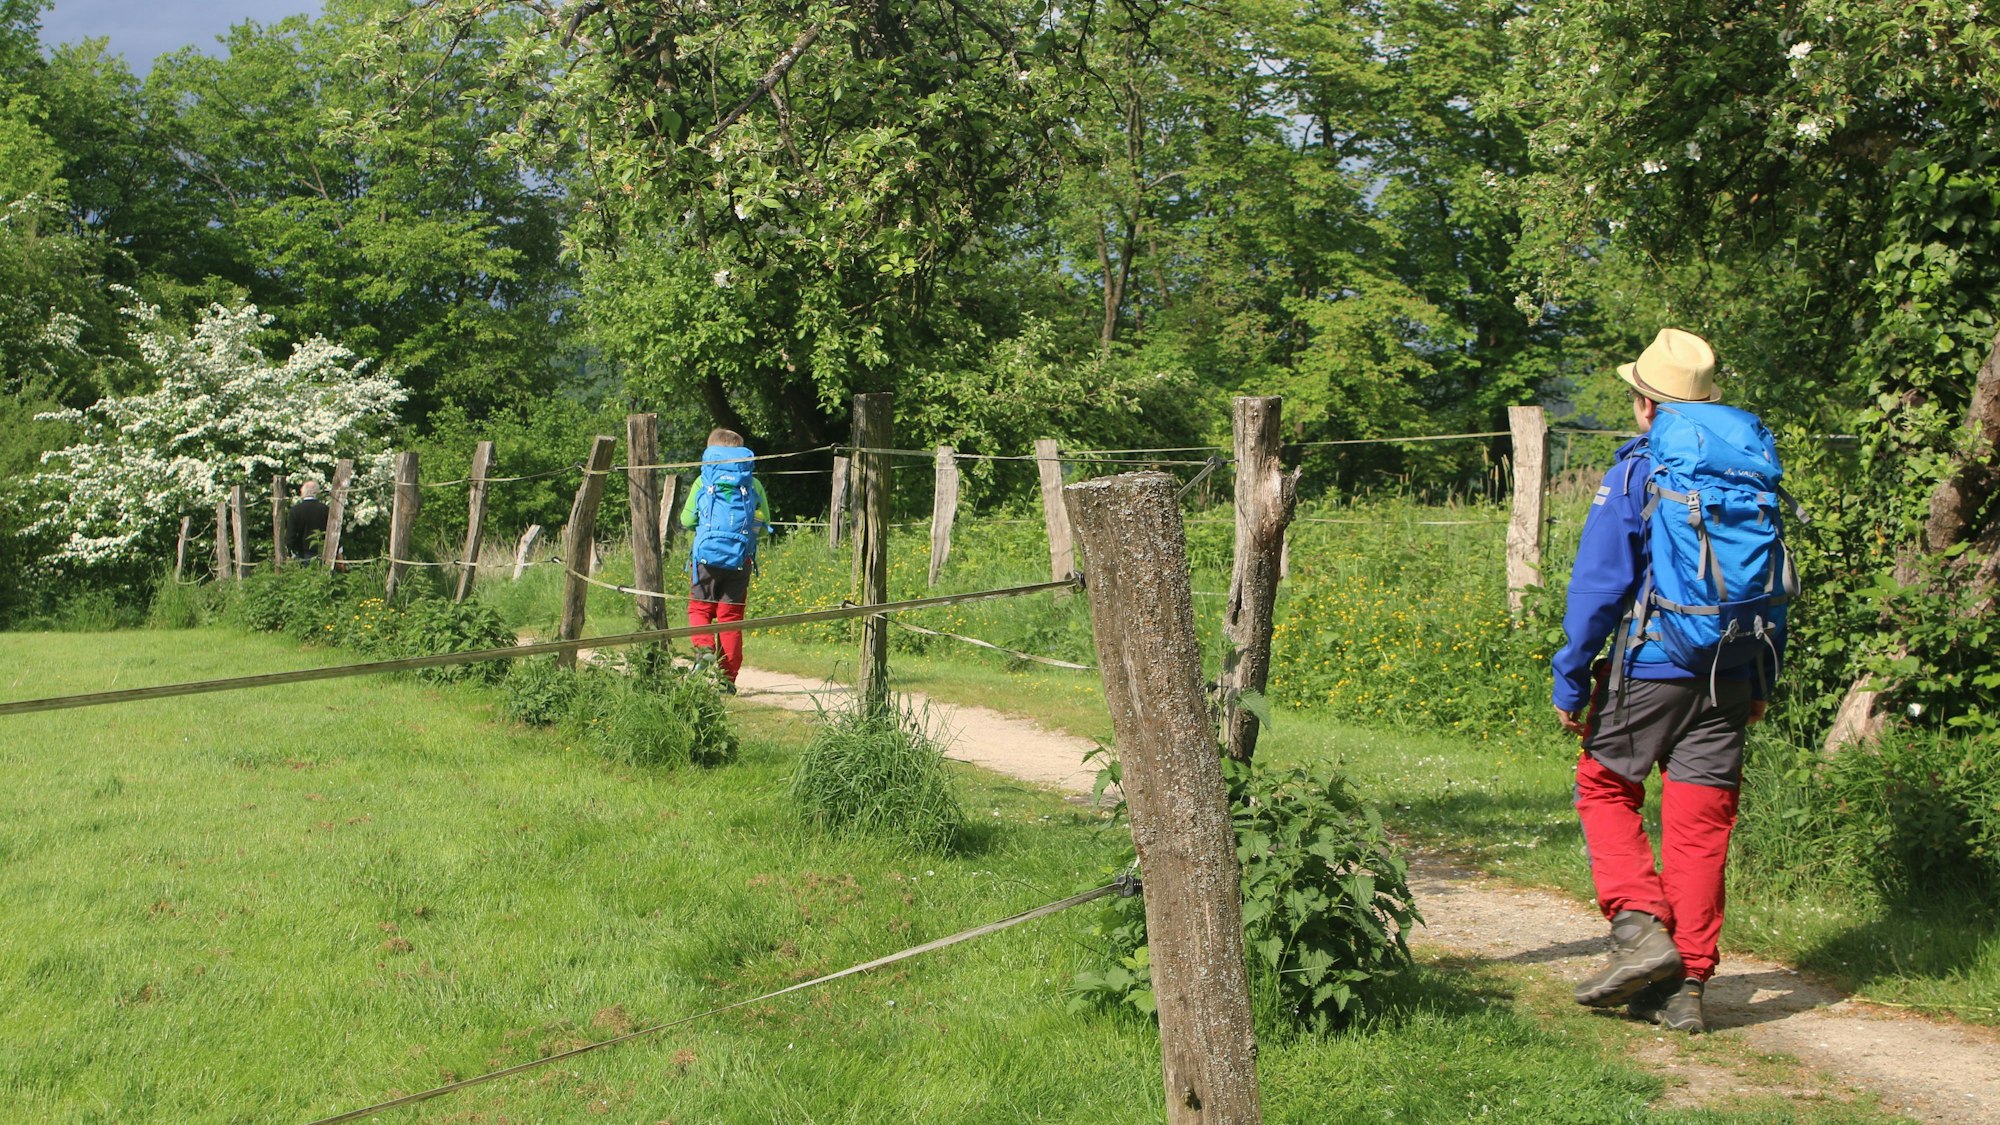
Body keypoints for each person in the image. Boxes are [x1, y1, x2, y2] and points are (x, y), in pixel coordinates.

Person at [1550, 327, 1792, 1035]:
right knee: (1700, 822)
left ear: (1647, 405)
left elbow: (1598, 586)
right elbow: (1767, 585)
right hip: (1732, 667)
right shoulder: (1750, 472)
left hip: (1652, 664)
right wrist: (1760, 677)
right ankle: (1686, 988)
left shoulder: (1639, 470)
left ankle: (1639, 932)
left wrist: (1572, 677)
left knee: (1602, 783)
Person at [679, 429, 769, 692]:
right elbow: (763, 522)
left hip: (705, 560)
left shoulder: (702, 481)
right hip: (740, 560)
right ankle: (727, 680)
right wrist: (744, 539)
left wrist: (705, 526)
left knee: (699, 609)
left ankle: (704, 649)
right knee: (731, 619)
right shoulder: (752, 483)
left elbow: (686, 520)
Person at [287, 479, 330, 562]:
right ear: (317, 492)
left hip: (302, 552)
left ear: (302, 492)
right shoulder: (325, 509)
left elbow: (290, 535)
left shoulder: (295, 510)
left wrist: (290, 550)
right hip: (323, 551)